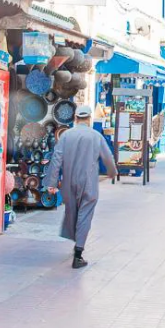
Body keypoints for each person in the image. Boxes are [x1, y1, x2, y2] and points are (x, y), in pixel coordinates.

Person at [44, 105, 116, 269]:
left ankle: (75, 240)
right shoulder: (95, 136)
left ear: (75, 118)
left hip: (69, 183)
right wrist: (112, 172)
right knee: (85, 215)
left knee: (72, 212)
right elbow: (107, 156)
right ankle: (78, 253)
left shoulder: (66, 136)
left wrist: (51, 183)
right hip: (88, 182)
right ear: (89, 119)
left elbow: (56, 159)